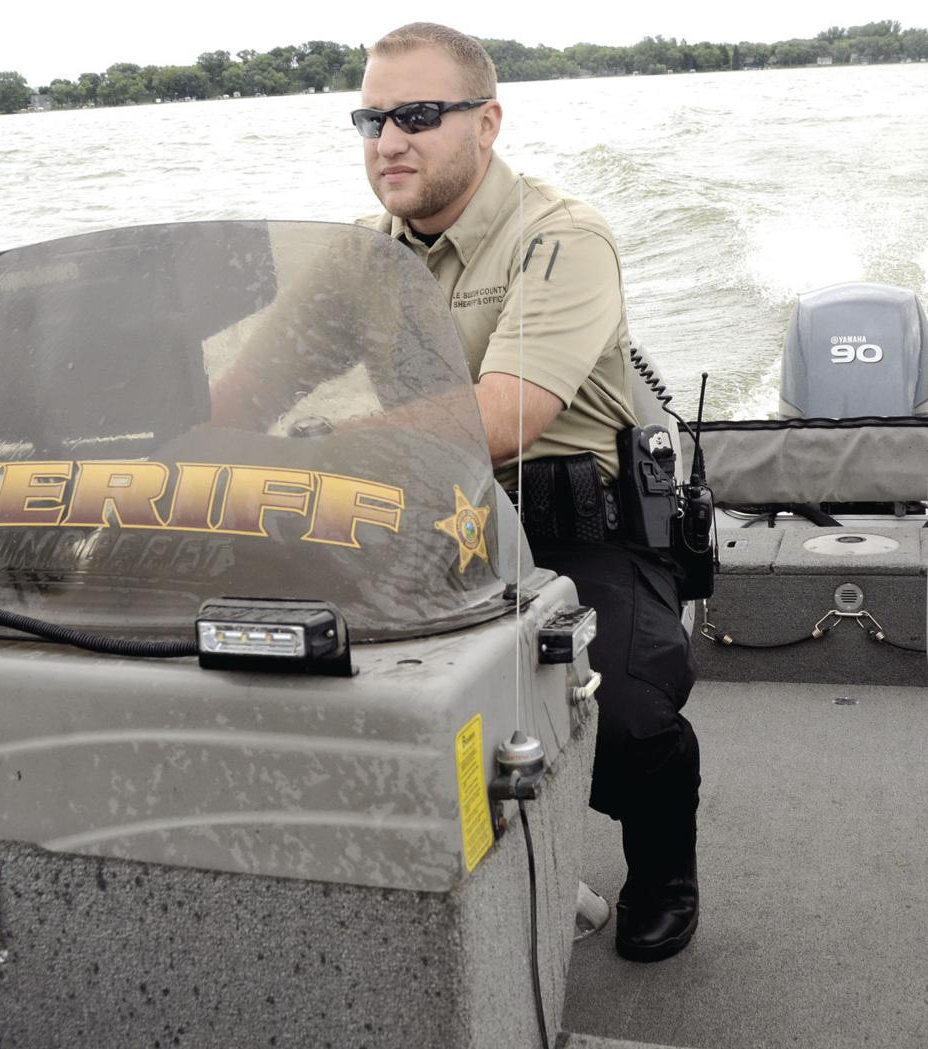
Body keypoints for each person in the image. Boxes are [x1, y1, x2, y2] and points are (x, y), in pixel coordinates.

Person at [353, 22, 700, 962]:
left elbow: (502, 419)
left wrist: (329, 440)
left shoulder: (563, 236)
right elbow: (246, 384)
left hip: (579, 526)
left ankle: (664, 865)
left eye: (418, 115)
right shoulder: (358, 257)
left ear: (488, 121)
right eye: (372, 118)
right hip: (434, 520)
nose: (390, 142)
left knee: (626, 719)